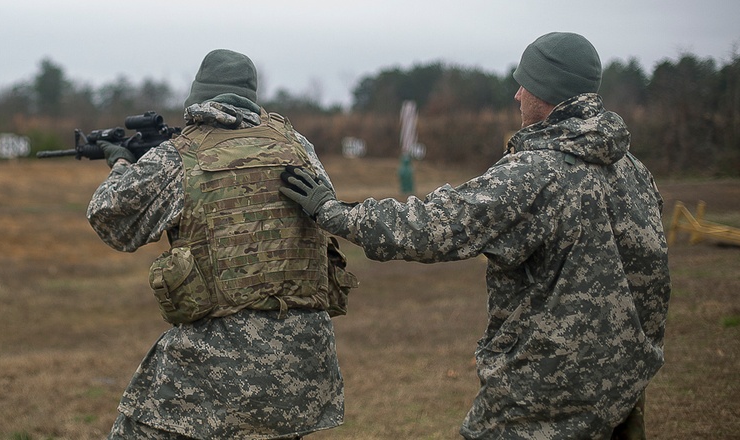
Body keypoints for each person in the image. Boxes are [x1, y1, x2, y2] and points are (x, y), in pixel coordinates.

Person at [279, 32, 670, 439]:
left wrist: (332, 212)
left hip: (546, 392)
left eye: (527, 84)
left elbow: (432, 227)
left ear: (549, 92)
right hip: (621, 385)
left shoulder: (536, 174)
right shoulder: (634, 171)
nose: (518, 95)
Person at [87, 49, 355, 439]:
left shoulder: (178, 156)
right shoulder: (298, 146)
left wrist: (122, 164)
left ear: (197, 97)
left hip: (218, 366)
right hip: (306, 368)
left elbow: (109, 219)